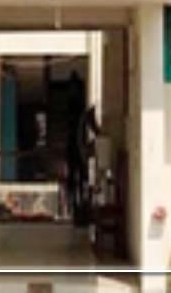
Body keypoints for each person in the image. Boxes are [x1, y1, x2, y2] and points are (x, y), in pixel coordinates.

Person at [64, 71, 97, 226]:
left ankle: (81, 209)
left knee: (81, 179)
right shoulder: (75, 111)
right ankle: (76, 209)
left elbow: (90, 125)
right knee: (76, 179)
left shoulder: (79, 111)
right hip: (75, 148)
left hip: (78, 148)